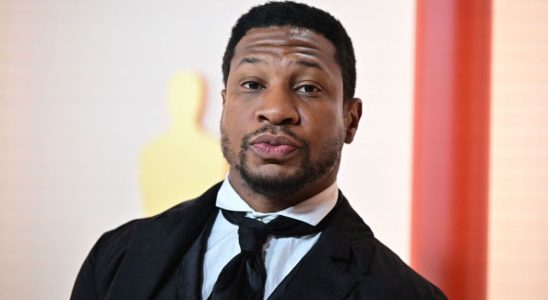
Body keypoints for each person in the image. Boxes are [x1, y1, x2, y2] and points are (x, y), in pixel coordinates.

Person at [71, 2, 446, 299]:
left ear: (351, 119)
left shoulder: (403, 293)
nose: (276, 110)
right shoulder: (117, 255)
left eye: (308, 88)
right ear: (223, 106)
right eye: (252, 84)